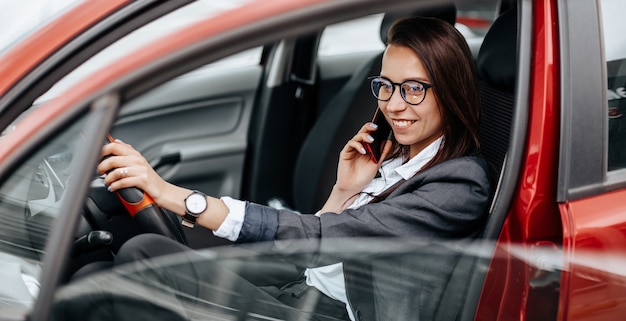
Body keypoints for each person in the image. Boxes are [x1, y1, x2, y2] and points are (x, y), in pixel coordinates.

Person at [56, 16, 491, 321]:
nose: (394, 105)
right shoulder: (398, 156)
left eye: (414, 89)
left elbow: (323, 239)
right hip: (302, 283)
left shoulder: (458, 184)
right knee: (103, 275)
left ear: (449, 92)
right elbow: (319, 248)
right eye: (386, 86)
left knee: (142, 256)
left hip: (335, 313)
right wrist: (343, 192)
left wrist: (169, 194)